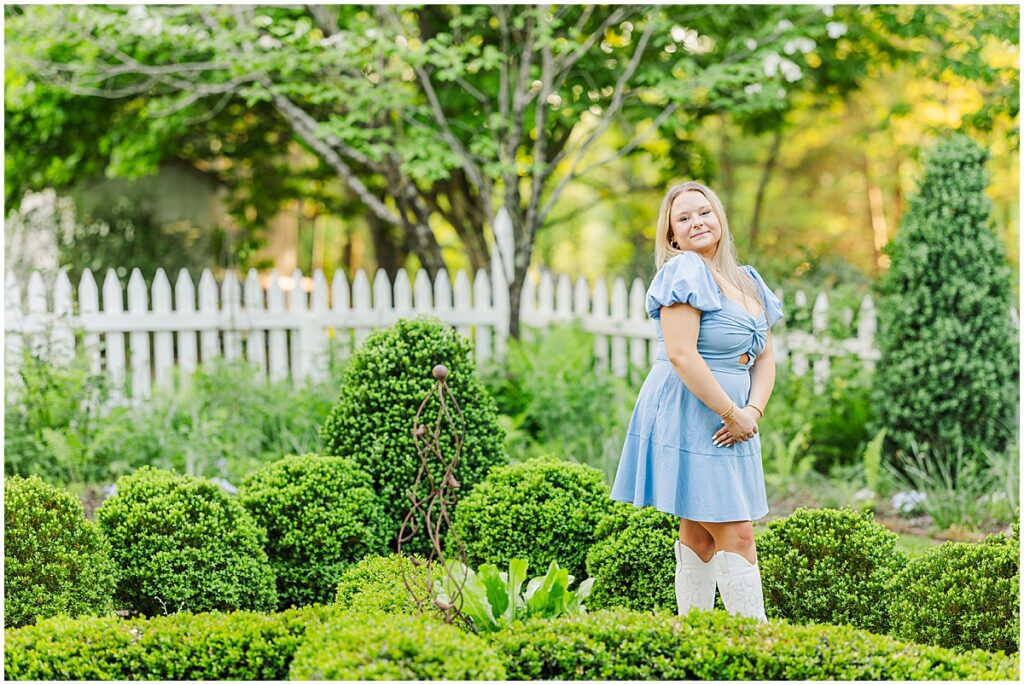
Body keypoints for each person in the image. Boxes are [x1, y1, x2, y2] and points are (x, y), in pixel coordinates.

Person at [610, 180, 783, 623]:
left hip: (736, 419)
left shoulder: (747, 280)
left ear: (719, 217)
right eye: (683, 219)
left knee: (702, 533)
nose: (696, 223)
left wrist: (752, 413)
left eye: (703, 212)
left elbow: (765, 360)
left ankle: (694, 639)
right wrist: (731, 412)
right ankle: (758, 647)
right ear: (672, 236)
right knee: (739, 533)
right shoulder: (684, 270)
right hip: (694, 412)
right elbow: (682, 354)